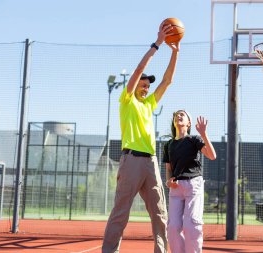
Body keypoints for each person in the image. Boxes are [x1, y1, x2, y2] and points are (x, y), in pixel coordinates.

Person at [102, 22, 179, 253]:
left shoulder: (149, 104)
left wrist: (175, 53)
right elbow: (137, 71)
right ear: (135, 86)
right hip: (131, 160)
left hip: (151, 162)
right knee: (121, 212)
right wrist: (157, 44)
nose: (145, 88)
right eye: (142, 85)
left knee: (160, 213)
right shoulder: (127, 101)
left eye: (147, 86)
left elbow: (167, 81)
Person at [163, 110, 216, 253]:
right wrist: (168, 181)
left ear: (189, 123)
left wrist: (204, 133)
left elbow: (212, 155)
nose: (178, 116)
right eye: (176, 115)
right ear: (174, 122)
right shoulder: (168, 145)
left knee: (191, 226)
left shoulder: (194, 140)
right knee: (173, 227)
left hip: (193, 185)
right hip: (176, 188)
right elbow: (168, 168)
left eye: (182, 115)